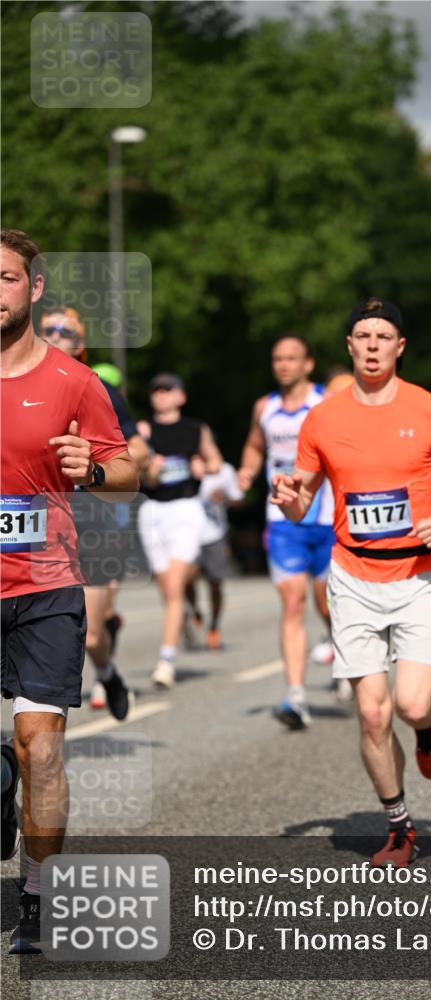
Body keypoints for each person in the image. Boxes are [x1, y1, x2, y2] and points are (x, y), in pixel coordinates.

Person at [272, 298, 431, 865]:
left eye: (382, 336)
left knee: (411, 705)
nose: (371, 345)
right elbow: (302, 499)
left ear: (399, 347)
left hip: (418, 574)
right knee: (371, 712)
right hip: (353, 575)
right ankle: (400, 826)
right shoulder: (324, 418)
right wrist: (290, 501)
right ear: (349, 345)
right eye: (362, 335)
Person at [0, 228, 138, 953]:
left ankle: (37, 898)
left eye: (6, 278)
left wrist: (90, 470)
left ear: (35, 288)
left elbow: (126, 476)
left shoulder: (75, 382)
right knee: (13, 761)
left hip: (46, 585)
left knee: (42, 753)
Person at [38, 307, 150, 717]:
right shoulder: (12, 383)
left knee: (90, 637)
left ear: (79, 344)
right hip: (35, 527)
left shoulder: (96, 389)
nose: (52, 335)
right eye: (45, 328)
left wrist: (93, 466)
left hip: (92, 526)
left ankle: (106, 671)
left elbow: (135, 452)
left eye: (62, 331)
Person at [238, 335, 338, 729]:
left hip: (329, 517)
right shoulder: (265, 408)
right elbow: (253, 445)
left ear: (308, 364)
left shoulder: (326, 403)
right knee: (293, 602)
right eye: (277, 358)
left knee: (327, 604)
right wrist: (247, 469)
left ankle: (340, 650)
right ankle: (296, 696)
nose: (283, 365)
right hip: (283, 520)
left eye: (291, 358)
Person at [138, 373, 222, 688]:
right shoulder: (143, 430)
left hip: (186, 510)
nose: (160, 395)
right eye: (156, 390)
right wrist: (149, 467)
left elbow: (215, 461)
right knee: (167, 590)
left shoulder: (195, 429)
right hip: (153, 511)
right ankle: (182, 611)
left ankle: (166, 660)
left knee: (173, 586)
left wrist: (205, 466)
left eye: (167, 389)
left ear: (181, 396)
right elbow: (138, 472)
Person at [184, 461, 245, 650]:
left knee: (215, 584)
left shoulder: (224, 470)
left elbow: (239, 499)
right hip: (188, 534)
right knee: (186, 580)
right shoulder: (185, 463)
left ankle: (214, 627)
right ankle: (194, 611)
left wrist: (224, 498)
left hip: (215, 535)